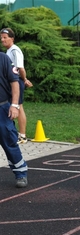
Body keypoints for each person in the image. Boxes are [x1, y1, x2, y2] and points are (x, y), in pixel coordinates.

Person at [0, 52, 29, 188]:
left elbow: (14, 82)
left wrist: (15, 105)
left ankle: (21, 173)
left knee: (9, 141)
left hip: (2, 107)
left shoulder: (3, 58)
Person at [1, 28, 33, 144]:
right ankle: (15, 133)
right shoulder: (8, 51)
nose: (2, 40)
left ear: (12, 38)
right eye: (1, 38)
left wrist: (24, 79)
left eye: (5, 37)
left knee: (18, 107)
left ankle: (22, 136)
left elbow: (20, 68)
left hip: (16, 81)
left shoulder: (15, 50)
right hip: (11, 81)